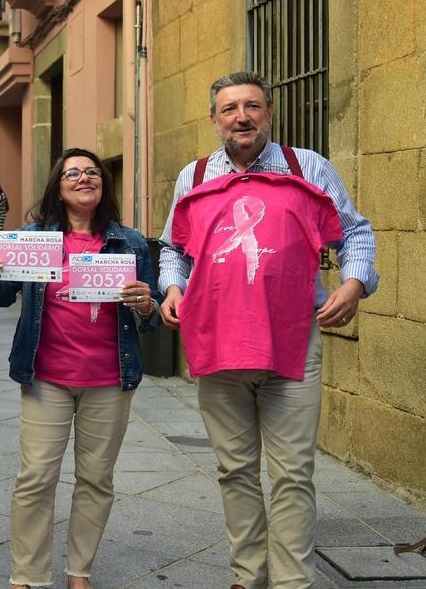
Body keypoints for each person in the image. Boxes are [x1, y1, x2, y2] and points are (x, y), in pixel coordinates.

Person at [158, 71, 378, 589]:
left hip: (293, 342)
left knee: (293, 473)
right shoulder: (192, 177)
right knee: (234, 470)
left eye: (252, 106)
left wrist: (354, 283)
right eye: (230, 108)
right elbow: (173, 246)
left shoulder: (309, 167)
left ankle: (292, 582)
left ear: (269, 113)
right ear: (215, 119)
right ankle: (247, 575)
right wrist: (172, 287)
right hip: (217, 342)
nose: (242, 117)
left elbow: (355, 233)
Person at [0, 148, 161, 588]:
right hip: (46, 376)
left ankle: (79, 571)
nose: (84, 178)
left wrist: (146, 304)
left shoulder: (131, 243)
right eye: (73, 173)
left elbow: (154, 316)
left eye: (92, 172)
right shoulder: (35, 237)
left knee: (96, 479)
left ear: (103, 182)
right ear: (58, 188)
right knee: (36, 477)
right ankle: (27, 575)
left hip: (110, 378)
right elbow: (2, 295)